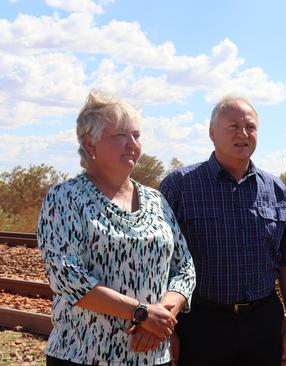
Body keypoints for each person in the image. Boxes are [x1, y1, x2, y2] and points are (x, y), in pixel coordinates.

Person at [36, 91, 196, 366]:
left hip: (151, 356)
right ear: (90, 143)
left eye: (136, 135)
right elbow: (67, 278)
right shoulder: (65, 198)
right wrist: (142, 314)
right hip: (83, 356)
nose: (132, 144)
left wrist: (162, 317)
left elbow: (184, 268)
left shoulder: (156, 200)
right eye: (121, 136)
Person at [159, 95, 286, 366]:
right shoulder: (180, 186)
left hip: (261, 324)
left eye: (250, 127)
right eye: (233, 126)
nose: (243, 134)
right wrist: (168, 329)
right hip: (200, 322)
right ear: (212, 133)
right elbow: (159, 262)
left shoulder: (276, 190)